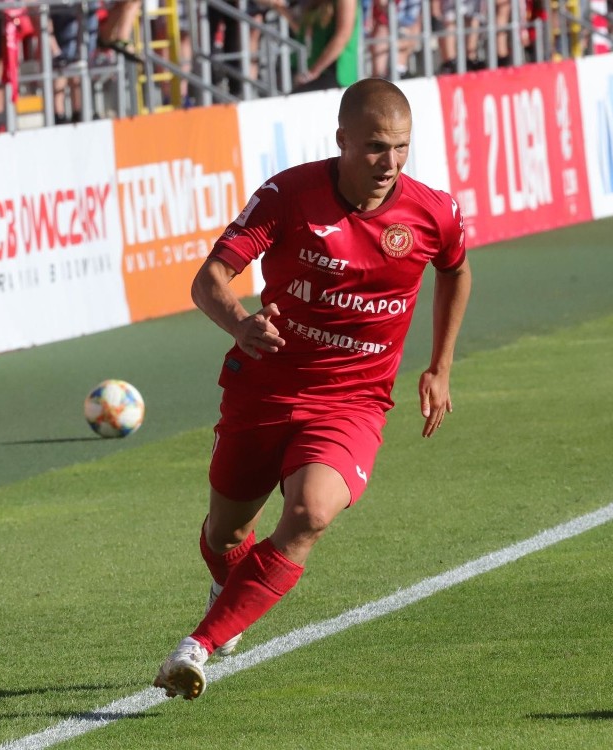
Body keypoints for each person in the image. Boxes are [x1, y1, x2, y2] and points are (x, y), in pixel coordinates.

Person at [153, 77, 472, 700]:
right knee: (225, 535)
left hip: (353, 401)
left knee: (308, 514)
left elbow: (456, 270)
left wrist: (441, 365)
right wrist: (241, 323)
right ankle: (231, 587)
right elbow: (209, 278)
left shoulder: (433, 211)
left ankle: (198, 646)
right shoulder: (288, 195)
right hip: (265, 389)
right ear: (342, 141)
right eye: (376, 147)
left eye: (401, 148)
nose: (390, 163)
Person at [269, 0, 361, 92]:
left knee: (296, 98)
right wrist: (281, 9)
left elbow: (343, 36)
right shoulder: (316, 3)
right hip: (317, 70)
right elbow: (303, 33)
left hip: (337, 73)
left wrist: (314, 72)